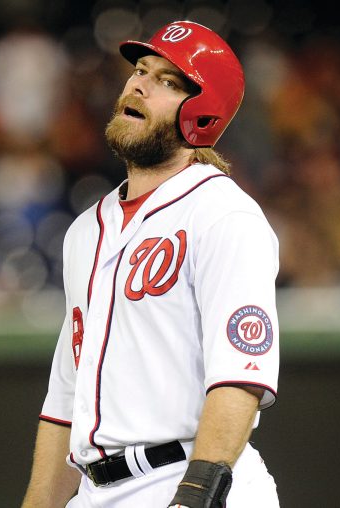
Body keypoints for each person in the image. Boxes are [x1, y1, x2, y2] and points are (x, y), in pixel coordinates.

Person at [22, 20, 280, 508]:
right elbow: (64, 402)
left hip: (187, 475)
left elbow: (240, 375)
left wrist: (197, 495)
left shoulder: (222, 213)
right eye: (140, 69)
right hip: (96, 490)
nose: (137, 83)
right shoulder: (85, 231)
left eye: (167, 81)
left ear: (201, 114)